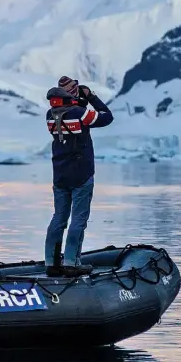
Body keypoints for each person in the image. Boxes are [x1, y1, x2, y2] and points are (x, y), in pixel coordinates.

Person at [44, 76, 114, 276]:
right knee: (79, 218)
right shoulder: (80, 113)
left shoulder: (50, 114)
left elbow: (74, 111)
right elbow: (106, 117)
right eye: (73, 88)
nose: (77, 90)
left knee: (59, 217)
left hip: (60, 174)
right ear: (68, 94)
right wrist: (91, 96)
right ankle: (71, 263)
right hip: (81, 173)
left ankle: (51, 262)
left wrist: (78, 99)